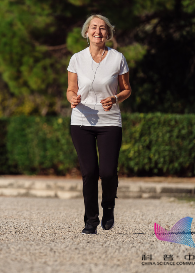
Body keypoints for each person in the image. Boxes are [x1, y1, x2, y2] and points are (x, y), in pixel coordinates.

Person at [66, 14, 132, 235]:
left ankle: (109, 208)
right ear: (86, 32)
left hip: (110, 120)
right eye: (94, 27)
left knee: (108, 171)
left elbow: (126, 89)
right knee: (89, 171)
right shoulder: (76, 59)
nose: (98, 31)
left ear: (108, 34)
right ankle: (91, 221)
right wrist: (72, 98)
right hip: (81, 120)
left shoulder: (117, 58)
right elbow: (70, 89)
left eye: (103, 28)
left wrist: (114, 99)